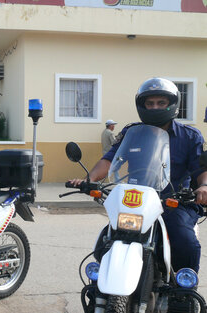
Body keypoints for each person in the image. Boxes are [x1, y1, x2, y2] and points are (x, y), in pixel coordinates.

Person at [70, 78, 207, 276]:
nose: (154, 107)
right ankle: (101, 291)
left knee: (183, 238)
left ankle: (184, 290)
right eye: (149, 103)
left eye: (161, 103)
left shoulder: (190, 136)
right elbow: (110, 160)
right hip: (137, 201)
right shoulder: (131, 132)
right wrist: (89, 180)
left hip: (175, 202)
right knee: (107, 239)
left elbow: (200, 168)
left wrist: (203, 186)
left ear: (172, 104)